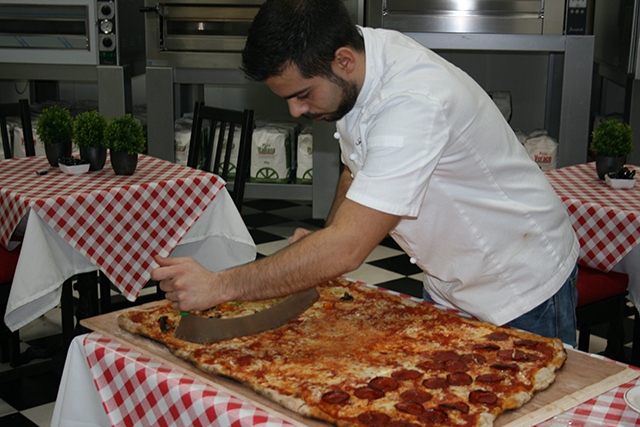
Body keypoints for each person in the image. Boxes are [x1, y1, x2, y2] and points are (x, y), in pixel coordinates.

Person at [152, 0, 579, 346]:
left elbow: (347, 252)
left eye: (302, 95)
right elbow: (356, 165)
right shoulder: (361, 59)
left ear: (343, 61)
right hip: (451, 279)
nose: (295, 111)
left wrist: (220, 286)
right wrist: (328, 232)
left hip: (519, 287)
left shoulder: (412, 103)